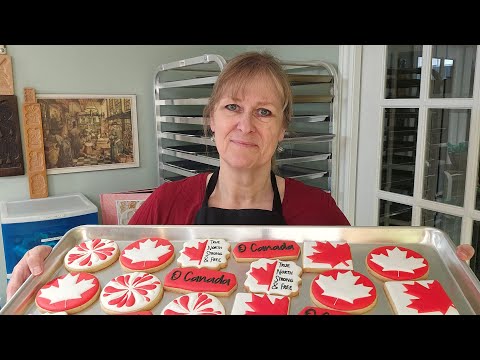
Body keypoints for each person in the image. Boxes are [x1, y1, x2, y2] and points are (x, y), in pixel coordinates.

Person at [6, 51, 475, 301]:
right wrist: (51, 260)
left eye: (264, 112)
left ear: (283, 129)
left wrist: (434, 272)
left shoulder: (318, 210)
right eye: (232, 107)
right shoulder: (167, 204)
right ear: (211, 119)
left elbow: (354, 287)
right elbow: (114, 269)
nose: (246, 124)